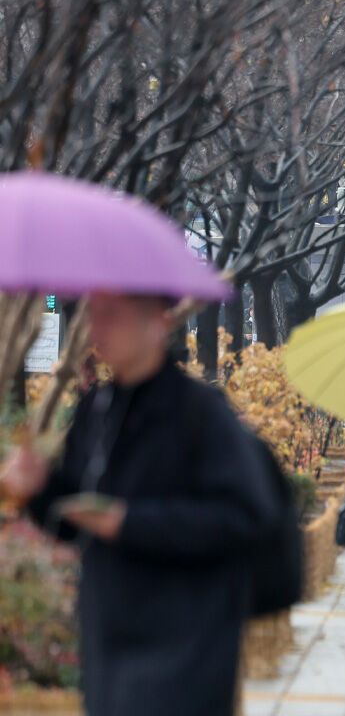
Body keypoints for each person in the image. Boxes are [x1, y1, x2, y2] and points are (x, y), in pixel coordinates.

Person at [1, 293, 277, 716]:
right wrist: (38, 488)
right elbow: (74, 518)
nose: (97, 330)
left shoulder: (201, 413)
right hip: (108, 633)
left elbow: (243, 519)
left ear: (158, 321)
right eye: (94, 316)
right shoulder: (97, 408)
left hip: (186, 641)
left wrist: (129, 522)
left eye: (113, 316)